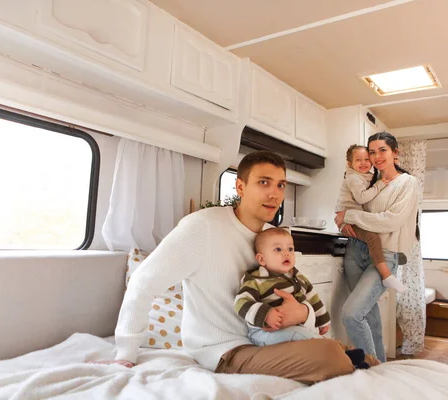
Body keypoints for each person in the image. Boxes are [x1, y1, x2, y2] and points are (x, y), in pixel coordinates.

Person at [99, 151, 362, 385]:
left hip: (273, 339)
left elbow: (301, 296)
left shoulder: (274, 237)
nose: (275, 193)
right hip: (224, 350)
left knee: (345, 349)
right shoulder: (202, 226)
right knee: (330, 355)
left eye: (281, 185)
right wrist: (125, 353)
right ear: (240, 187)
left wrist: (304, 313)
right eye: (263, 182)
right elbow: (143, 282)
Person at [234, 227, 378, 369]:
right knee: (304, 336)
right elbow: (241, 302)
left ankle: (345, 356)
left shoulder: (298, 277)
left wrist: (323, 320)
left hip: (294, 329)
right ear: (262, 259)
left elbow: (312, 297)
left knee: (308, 337)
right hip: (263, 333)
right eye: (278, 250)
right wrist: (266, 314)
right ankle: (343, 355)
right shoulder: (256, 280)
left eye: (290, 249)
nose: (286, 254)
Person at [334, 132, 419, 363]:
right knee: (369, 317)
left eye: (382, 150)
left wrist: (349, 216)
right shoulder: (368, 180)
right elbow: (351, 212)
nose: (376, 156)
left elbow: (390, 220)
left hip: (384, 254)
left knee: (351, 314)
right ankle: (381, 369)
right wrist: (343, 223)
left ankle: (370, 370)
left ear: (395, 153)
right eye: (372, 152)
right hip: (355, 250)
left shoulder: (407, 183)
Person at [335, 144, 406, 293]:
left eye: (367, 159)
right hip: (350, 221)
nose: (363, 163)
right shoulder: (354, 178)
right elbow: (361, 198)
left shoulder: (365, 176)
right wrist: (379, 185)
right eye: (358, 160)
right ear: (350, 164)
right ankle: (386, 275)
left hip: (352, 219)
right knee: (373, 237)